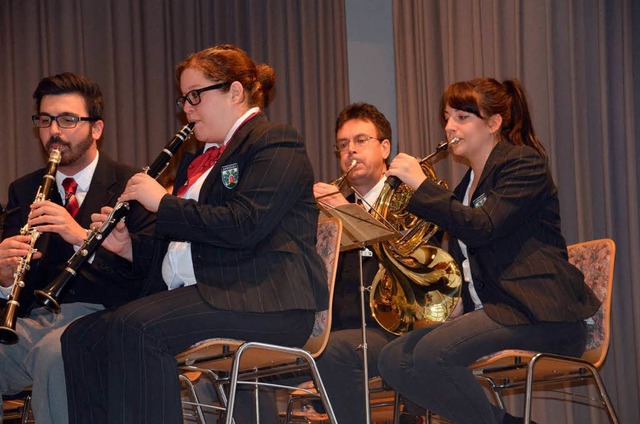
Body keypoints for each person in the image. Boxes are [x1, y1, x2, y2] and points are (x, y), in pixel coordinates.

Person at [60, 44, 327, 424]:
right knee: (81, 337)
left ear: (235, 92)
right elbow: (187, 248)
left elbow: (243, 225)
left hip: (267, 300)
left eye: (195, 96)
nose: (186, 109)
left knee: (137, 327)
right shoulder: (198, 160)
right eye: (184, 98)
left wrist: (162, 203)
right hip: (213, 292)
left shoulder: (275, 141)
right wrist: (128, 248)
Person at [377, 78, 601, 424]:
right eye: (447, 118)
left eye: (462, 118)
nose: (450, 126)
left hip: (543, 316)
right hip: (501, 312)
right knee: (393, 359)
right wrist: (460, 303)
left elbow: (482, 228)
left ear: (494, 124)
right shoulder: (466, 185)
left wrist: (421, 186)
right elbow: (473, 258)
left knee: (434, 354)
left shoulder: (524, 164)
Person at [0, 72, 154, 424]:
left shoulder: (134, 186)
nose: (54, 131)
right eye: (45, 120)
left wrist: (80, 235)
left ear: (96, 128)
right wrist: (5, 277)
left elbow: (147, 276)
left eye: (68, 120)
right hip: (36, 322)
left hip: (109, 317)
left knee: (57, 355)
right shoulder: (24, 190)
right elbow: (19, 292)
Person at [312, 102, 398, 423]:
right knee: (255, 352)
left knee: (331, 352)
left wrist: (347, 215)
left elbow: (408, 258)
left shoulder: (411, 197)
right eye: (343, 145)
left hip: (392, 330)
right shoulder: (334, 207)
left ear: (384, 147)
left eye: (361, 141)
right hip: (340, 331)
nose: (351, 151)